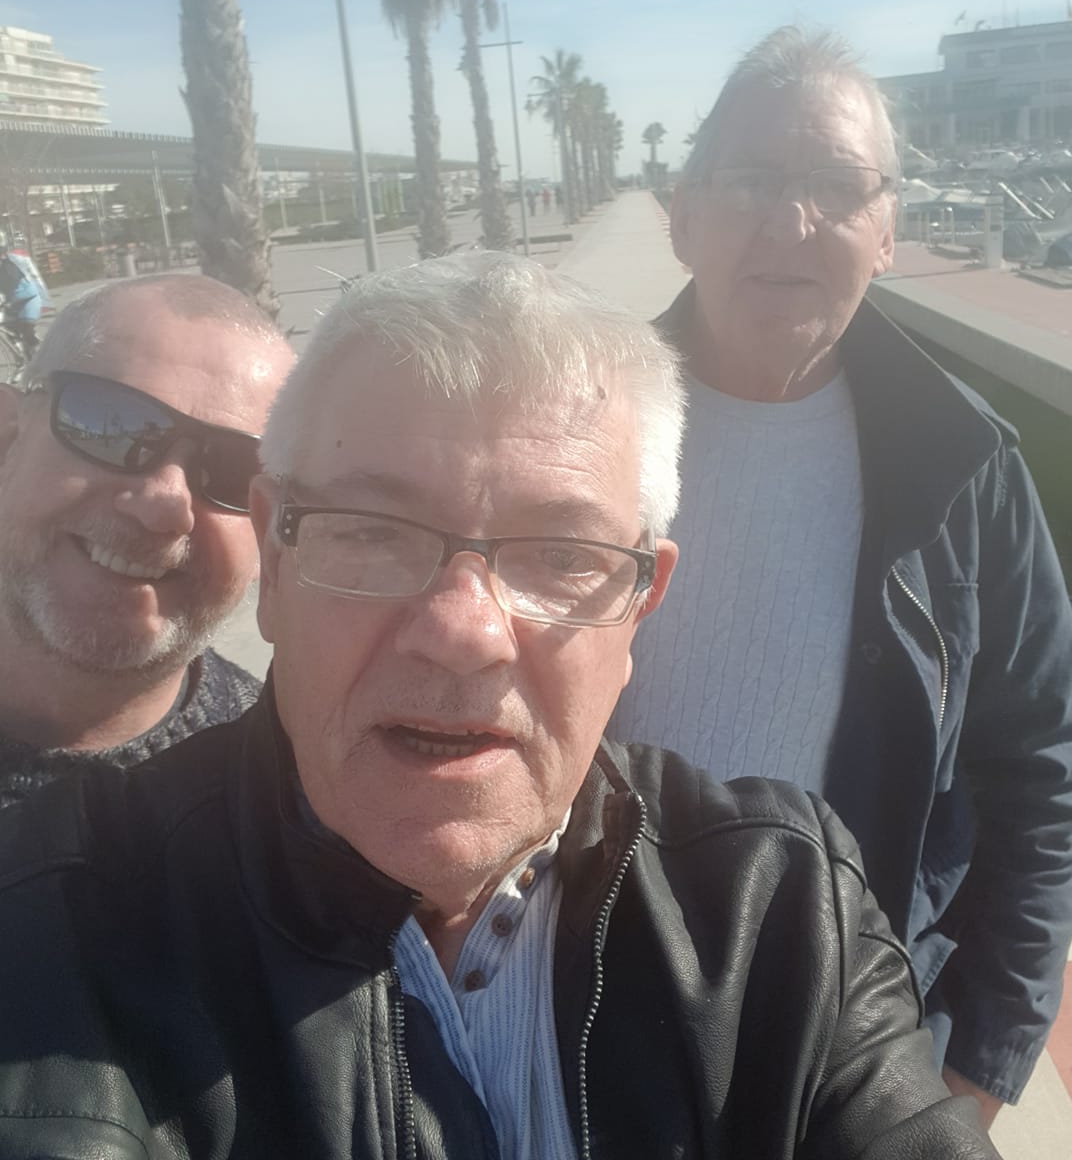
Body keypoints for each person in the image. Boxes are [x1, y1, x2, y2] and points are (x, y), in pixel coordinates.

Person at [0, 254, 997, 1157]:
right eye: (372, 531)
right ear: (276, 552)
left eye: (561, 556)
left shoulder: (782, 910)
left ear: (640, 605)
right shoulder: (62, 919)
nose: (462, 630)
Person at [609, 24, 1072, 1123]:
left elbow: (1041, 770)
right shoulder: (575, 431)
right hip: (590, 1011)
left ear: (888, 230)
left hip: (860, 1041)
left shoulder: (965, 466)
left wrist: (976, 1071)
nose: (791, 222)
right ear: (682, 215)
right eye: (751, 179)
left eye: (836, 186)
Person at [0, 273, 293, 809]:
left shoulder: (290, 806)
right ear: (9, 436)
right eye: (114, 427)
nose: (165, 506)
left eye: (235, 471)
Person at [0, 230, 49, 357]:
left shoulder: (12, 261)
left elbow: (12, 281)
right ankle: (20, 357)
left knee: (27, 329)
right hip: (12, 303)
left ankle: (42, 356)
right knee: (7, 328)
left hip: (28, 299)